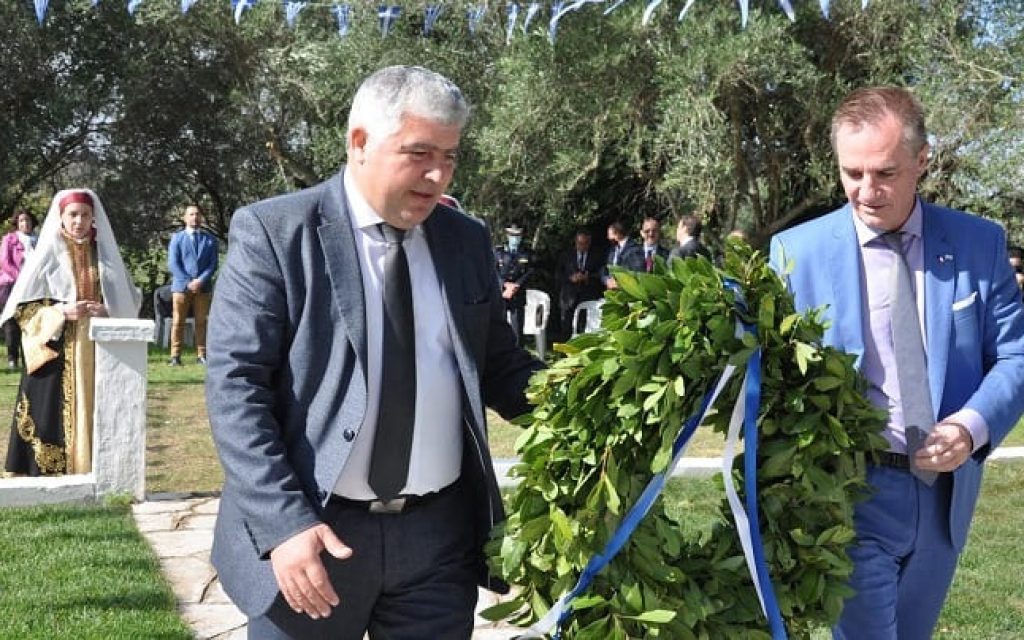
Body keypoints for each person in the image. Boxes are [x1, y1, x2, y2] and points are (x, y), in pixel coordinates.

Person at [205, 65, 543, 640]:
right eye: (419, 153)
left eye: (450, 157)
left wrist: (594, 403)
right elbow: (236, 389)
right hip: (314, 535)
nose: (437, 175)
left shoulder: (465, 240)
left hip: (439, 543)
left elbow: (499, 366)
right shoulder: (275, 231)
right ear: (359, 141)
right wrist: (284, 524)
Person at [769, 86, 1024, 640]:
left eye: (884, 172)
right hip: (848, 495)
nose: (866, 191)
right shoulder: (794, 254)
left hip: (944, 497)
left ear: (922, 159)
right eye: (852, 173)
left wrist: (971, 426)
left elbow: (1014, 354)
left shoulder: (979, 243)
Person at [1, 189, 140, 476]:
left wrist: (107, 310)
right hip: (56, 347)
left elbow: (129, 298)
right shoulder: (47, 254)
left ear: (93, 218)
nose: (79, 221)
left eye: (85, 215)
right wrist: (62, 312)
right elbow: (23, 309)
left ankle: (97, 468)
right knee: (49, 412)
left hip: (98, 345)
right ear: (61, 216)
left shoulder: (104, 254)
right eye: (73, 214)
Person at [167, 204, 218, 366]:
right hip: (181, 287)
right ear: (185, 218)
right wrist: (188, 282)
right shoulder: (177, 238)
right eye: (191, 214)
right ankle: (175, 356)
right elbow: (173, 263)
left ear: (201, 217)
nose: (195, 217)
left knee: (201, 322)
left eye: (197, 214)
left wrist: (200, 281)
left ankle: (202, 355)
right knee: (178, 322)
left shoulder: (210, 240)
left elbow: (213, 264)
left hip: (203, 287)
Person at [0, 211, 39, 369]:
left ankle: (28, 357)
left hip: (34, 286)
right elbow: (4, 262)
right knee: (12, 322)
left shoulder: (39, 240)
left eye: (28, 220)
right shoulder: (9, 239)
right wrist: (20, 278)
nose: (25, 223)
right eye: (22, 220)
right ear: (17, 223)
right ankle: (12, 358)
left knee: (31, 322)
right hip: (13, 284)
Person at [555, 229, 603, 339]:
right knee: (566, 325)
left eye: (585, 243)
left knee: (584, 325)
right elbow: (558, 275)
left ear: (589, 243)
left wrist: (588, 277)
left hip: (587, 295)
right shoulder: (566, 255)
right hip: (569, 296)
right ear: (575, 242)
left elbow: (601, 274)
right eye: (580, 243)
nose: (582, 246)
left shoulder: (596, 256)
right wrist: (570, 278)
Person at [494, 224, 532, 345]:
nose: (515, 238)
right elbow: (493, 271)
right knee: (499, 327)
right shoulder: (498, 252)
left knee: (517, 329)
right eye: (512, 235)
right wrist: (504, 284)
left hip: (518, 294)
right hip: (502, 294)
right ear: (508, 236)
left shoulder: (527, 253)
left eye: (517, 236)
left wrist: (516, 285)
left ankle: (517, 351)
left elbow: (530, 272)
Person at [602, 220, 643, 289]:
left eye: (609, 235)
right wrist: (607, 280)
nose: (608, 238)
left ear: (617, 234)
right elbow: (605, 268)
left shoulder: (635, 250)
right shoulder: (612, 250)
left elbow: (638, 273)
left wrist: (619, 283)